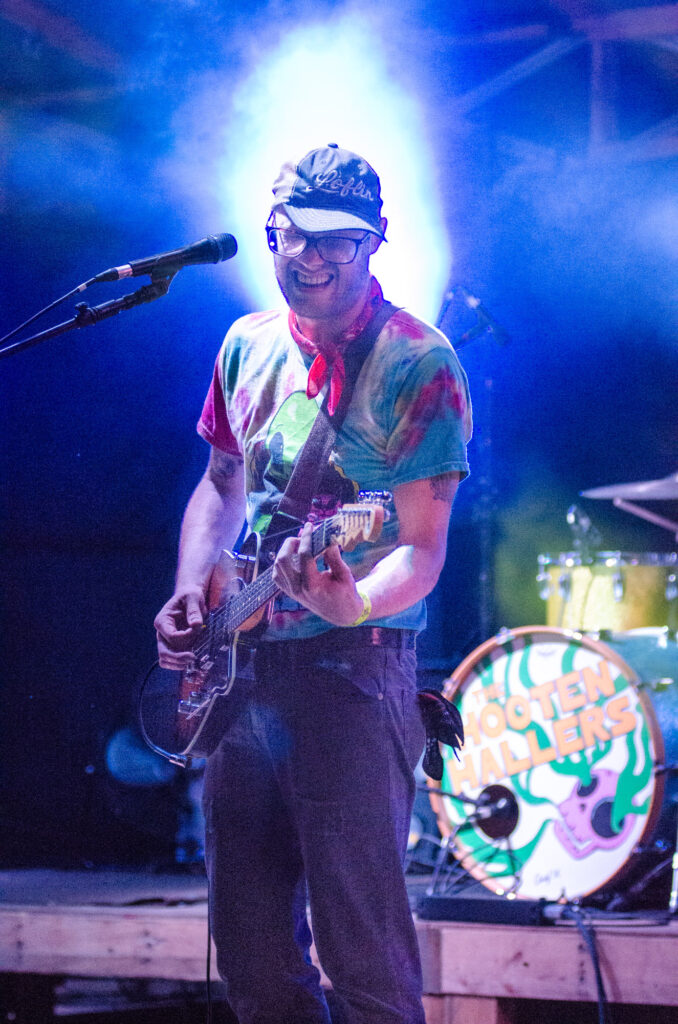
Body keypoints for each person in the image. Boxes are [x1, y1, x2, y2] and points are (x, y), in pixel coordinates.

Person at [154, 144, 472, 1024]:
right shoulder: (245, 344)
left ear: (376, 240)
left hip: (354, 673)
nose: (311, 258)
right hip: (243, 673)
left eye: (336, 240)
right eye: (292, 236)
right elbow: (220, 485)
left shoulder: (418, 362)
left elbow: (421, 546)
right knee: (252, 960)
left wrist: (355, 600)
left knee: (362, 956)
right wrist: (190, 586)